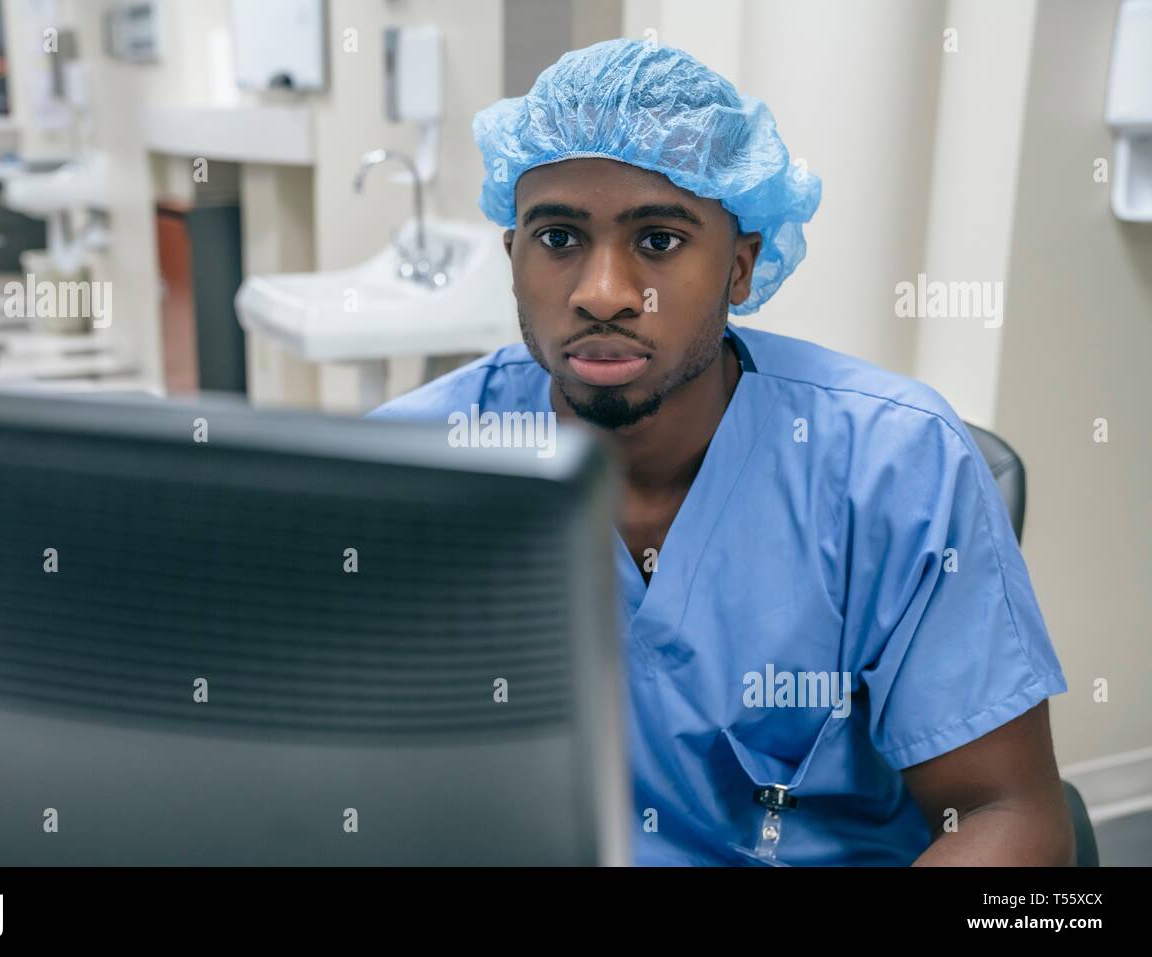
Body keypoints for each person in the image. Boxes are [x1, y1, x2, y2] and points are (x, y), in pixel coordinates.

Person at [369, 38, 1072, 865]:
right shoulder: (412, 469)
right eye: (558, 236)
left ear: (741, 267)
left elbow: (1003, 810)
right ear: (513, 256)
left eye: (659, 240)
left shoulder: (895, 466)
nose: (601, 292)